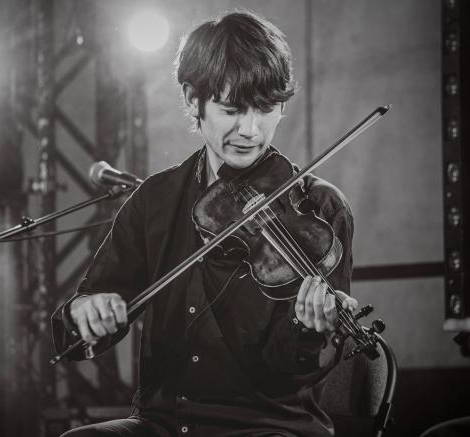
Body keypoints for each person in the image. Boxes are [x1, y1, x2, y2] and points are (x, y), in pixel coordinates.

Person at [56, 10, 358, 437]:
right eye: (231, 109)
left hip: (271, 425)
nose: (250, 130)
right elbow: (86, 321)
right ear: (192, 99)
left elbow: (297, 376)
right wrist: (83, 312)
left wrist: (308, 329)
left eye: (267, 109)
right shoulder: (155, 200)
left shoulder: (318, 208)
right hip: (163, 422)